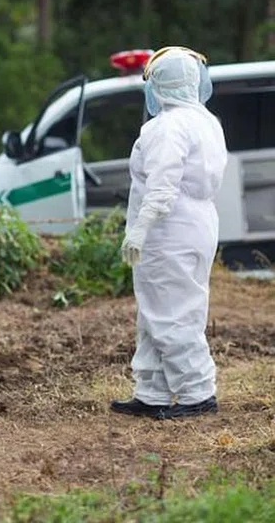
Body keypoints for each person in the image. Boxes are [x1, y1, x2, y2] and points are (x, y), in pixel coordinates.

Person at [112, 47, 226, 420]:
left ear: (159, 83)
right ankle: (152, 391)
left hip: (169, 230)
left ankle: (197, 392)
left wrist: (139, 231)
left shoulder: (166, 126)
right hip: (196, 224)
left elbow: (162, 188)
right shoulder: (206, 121)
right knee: (158, 311)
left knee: (173, 314)